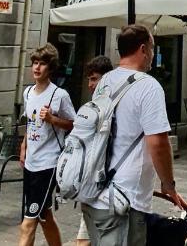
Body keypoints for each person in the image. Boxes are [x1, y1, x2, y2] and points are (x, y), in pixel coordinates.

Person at [80, 24, 187, 246]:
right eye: (152, 47)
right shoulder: (149, 87)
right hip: (126, 198)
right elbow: (158, 143)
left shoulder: (104, 83)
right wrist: (168, 184)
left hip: (96, 188)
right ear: (143, 49)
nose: (152, 55)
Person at [19, 43, 76, 246]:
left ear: (50, 68)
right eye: (35, 63)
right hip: (31, 163)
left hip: (49, 164)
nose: (37, 68)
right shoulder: (28, 93)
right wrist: (24, 147)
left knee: (28, 222)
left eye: (42, 64)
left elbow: (74, 124)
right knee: (44, 216)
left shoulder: (59, 95)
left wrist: (53, 119)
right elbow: (29, 123)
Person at [74, 55, 114, 246]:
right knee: (84, 240)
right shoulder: (91, 108)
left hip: (106, 188)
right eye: (89, 79)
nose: (90, 85)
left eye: (94, 78)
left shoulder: (112, 109)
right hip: (90, 185)